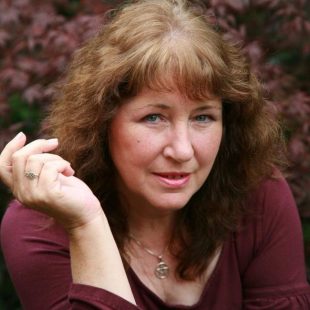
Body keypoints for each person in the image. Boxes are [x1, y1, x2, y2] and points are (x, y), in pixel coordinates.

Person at [0, 0, 309, 309]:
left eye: (203, 117)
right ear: (102, 122)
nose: (183, 150)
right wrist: (86, 225)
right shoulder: (41, 224)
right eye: (154, 118)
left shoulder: (258, 195)